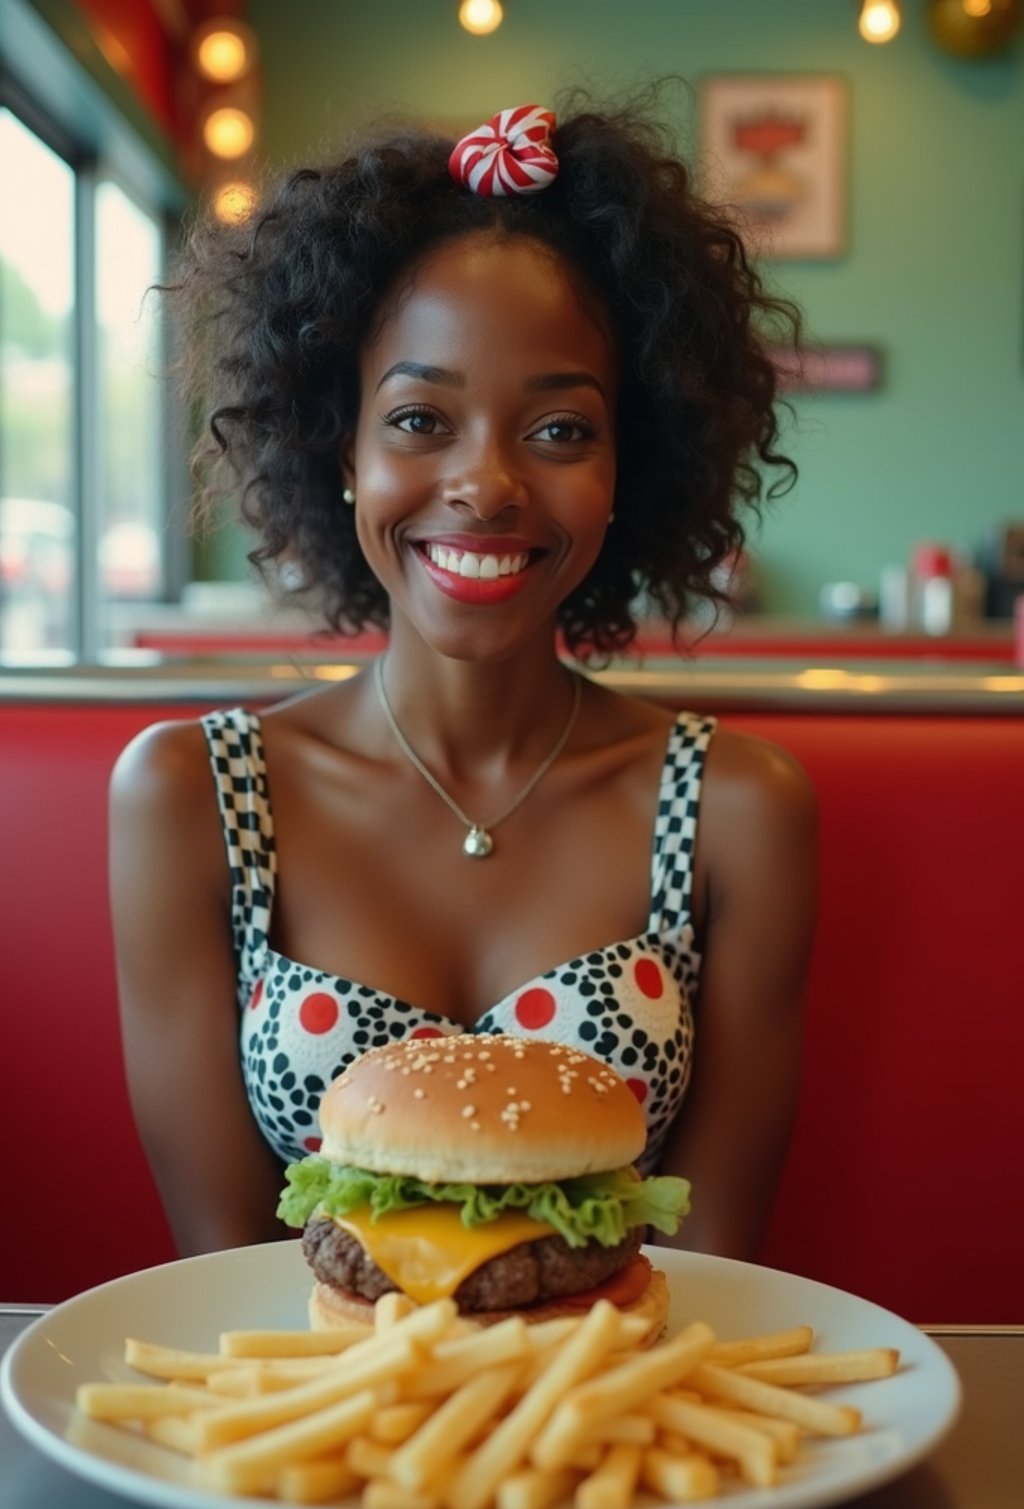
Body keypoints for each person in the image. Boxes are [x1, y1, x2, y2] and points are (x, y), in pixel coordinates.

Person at [110, 93, 818, 1265]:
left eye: (558, 432)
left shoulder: (743, 812)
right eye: (421, 417)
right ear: (343, 452)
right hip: (308, 1423)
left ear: (627, 470)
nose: (486, 484)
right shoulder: (187, 796)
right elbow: (220, 1276)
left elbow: (711, 1274)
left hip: (612, 1419)